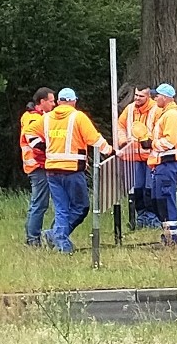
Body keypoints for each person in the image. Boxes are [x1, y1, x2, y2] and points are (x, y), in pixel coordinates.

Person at [25, 88, 113, 254]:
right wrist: (110, 151)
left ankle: (58, 239)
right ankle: (58, 238)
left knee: (61, 209)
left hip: (52, 170)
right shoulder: (78, 117)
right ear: (74, 101)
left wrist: (41, 147)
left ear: (58, 101)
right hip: (72, 170)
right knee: (81, 207)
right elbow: (94, 139)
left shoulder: (47, 117)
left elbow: (29, 132)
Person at [117, 84, 161, 229]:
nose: (137, 98)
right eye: (136, 95)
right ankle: (141, 217)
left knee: (150, 189)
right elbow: (120, 127)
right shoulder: (129, 109)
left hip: (151, 157)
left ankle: (153, 218)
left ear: (148, 97)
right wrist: (123, 141)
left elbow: (160, 129)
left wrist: (149, 140)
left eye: (141, 96)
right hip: (133, 157)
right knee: (137, 189)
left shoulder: (156, 110)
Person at [147, 83, 177, 246]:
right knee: (158, 200)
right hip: (162, 164)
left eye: (157, 95)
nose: (155, 98)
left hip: (168, 163)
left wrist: (151, 144)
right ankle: (170, 234)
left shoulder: (171, 116)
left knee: (165, 198)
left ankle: (173, 238)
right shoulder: (166, 114)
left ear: (165, 97)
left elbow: (169, 142)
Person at [19, 87, 55, 246]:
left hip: (39, 165)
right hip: (37, 166)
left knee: (39, 203)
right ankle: (33, 239)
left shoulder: (38, 116)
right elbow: (36, 144)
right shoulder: (33, 119)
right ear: (42, 102)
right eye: (51, 101)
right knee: (39, 203)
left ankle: (35, 237)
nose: (54, 104)